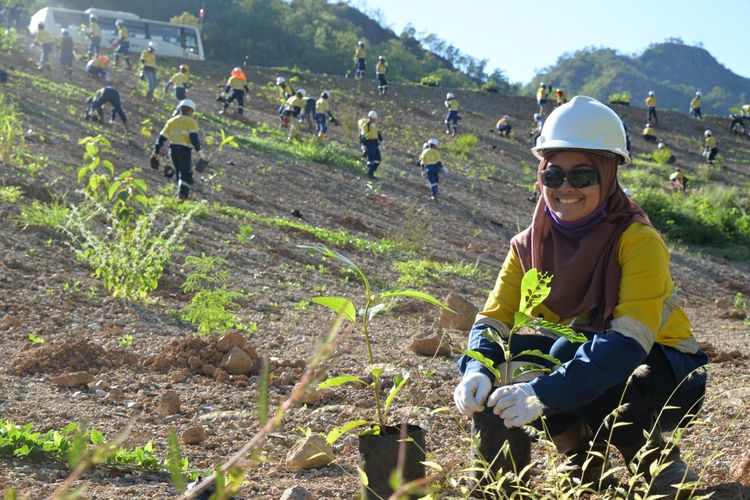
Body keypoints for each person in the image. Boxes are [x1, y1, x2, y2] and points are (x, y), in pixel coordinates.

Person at [453, 95, 707, 497]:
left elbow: (626, 344)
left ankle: (656, 461)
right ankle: (569, 463)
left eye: (583, 176)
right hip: (575, 360)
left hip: (666, 372)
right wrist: (475, 368)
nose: (565, 188)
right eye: (554, 176)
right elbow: (493, 320)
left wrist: (540, 393)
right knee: (505, 358)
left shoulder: (638, 241)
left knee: (565, 353)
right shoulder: (527, 245)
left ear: (607, 176)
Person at [151, 99, 206, 201]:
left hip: (172, 150)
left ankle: (179, 194)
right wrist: (200, 152)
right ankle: (180, 198)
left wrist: (155, 153)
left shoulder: (171, 121)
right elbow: (194, 138)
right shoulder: (191, 122)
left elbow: (161, 138)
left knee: (179, 172)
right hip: (184, 151)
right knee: (186, 175)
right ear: (190, 111)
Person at [358, 110, 383, 179]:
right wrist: (364, 146)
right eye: (373, 118)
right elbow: (363, 136)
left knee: (378, 159)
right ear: (370, 117)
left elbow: (377, 133)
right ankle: (370, 173)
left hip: (375, 143)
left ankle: (372, 171)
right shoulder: (365, 125)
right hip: (369, 143)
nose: (374, 120)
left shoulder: (374, 125)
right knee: (371, 159)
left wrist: (380, 139)